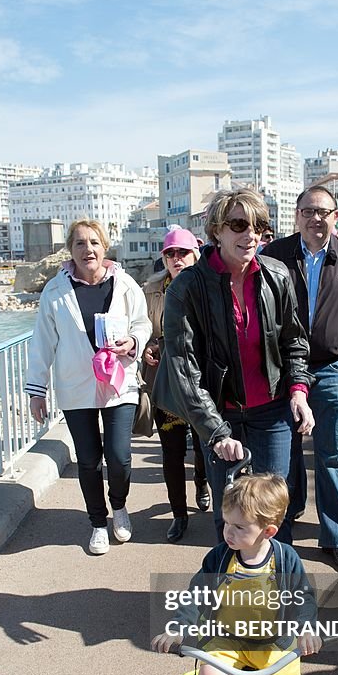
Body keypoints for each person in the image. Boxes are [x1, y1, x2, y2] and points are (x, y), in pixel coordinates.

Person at [152, 187, 314, 543]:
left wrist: (299, 392)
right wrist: (215, 431)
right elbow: (183, 367)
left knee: (274, 511)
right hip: (220, 415)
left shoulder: (277, 276)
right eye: (239, 224)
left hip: (272, 413)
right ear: (217, 230)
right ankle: (230, 587)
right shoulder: (186, 287)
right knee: (230, 514)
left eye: (258, 225)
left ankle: (273, 587)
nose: (251, 234)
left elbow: (294, 341)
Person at [151, 474, 321, 675]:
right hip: (226, 636)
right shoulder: (220, 558)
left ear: (268, 531)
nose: (228, 531)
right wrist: (177, 627)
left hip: (273, 641)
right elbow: (196, 593)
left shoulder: (285, 560)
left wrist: (306, 627)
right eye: (227, 522)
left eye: (239, 527)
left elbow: (303, 598)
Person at [262, 187, 338, 570]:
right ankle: (281, 530)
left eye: (324, 212)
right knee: (284, 456)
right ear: (297, 215)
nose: (317, 218)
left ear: (336, 216)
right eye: (309, 211)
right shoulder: (273, 256)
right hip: (281, 369)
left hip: (331, 369)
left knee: (333, 456)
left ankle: (336, 538)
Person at [25, 219, 151, 554]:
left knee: (120, 458)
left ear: (105, 247)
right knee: (88, 460)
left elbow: (143, 322)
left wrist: (133, 341)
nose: (88, 249)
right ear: (71, 250)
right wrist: (36, 390)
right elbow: (42, 342)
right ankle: (97, 522)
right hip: (75, 386)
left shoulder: (125, 284)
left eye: (94, 242)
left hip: (119, 383)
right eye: (80, 243)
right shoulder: (55, 291)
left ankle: (119, 507)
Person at [143, 228, 210, 543]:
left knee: (202, 447)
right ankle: (179, 515)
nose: (176, 258)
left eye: (182, 252)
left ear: (195, 253)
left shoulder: (209, 283)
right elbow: (141, 327)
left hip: (201, 383)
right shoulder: (153, 289)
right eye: (170, 253)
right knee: (170, 453)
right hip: (166, 384)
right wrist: (145, 345)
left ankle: (200, 481)